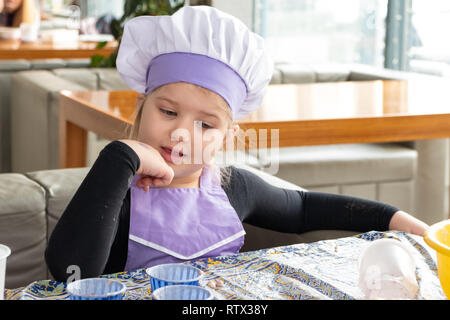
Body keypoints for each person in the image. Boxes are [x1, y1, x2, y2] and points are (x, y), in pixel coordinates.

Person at [45, 6, 429, 282]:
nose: (182, 133)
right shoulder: (117, 192)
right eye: (167, 112)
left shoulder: (233, 188)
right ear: (140, 107)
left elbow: (304, 207)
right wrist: (121, 155)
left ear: (226, 137)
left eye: (205, 124)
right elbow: (69, 271)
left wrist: (393, 218)